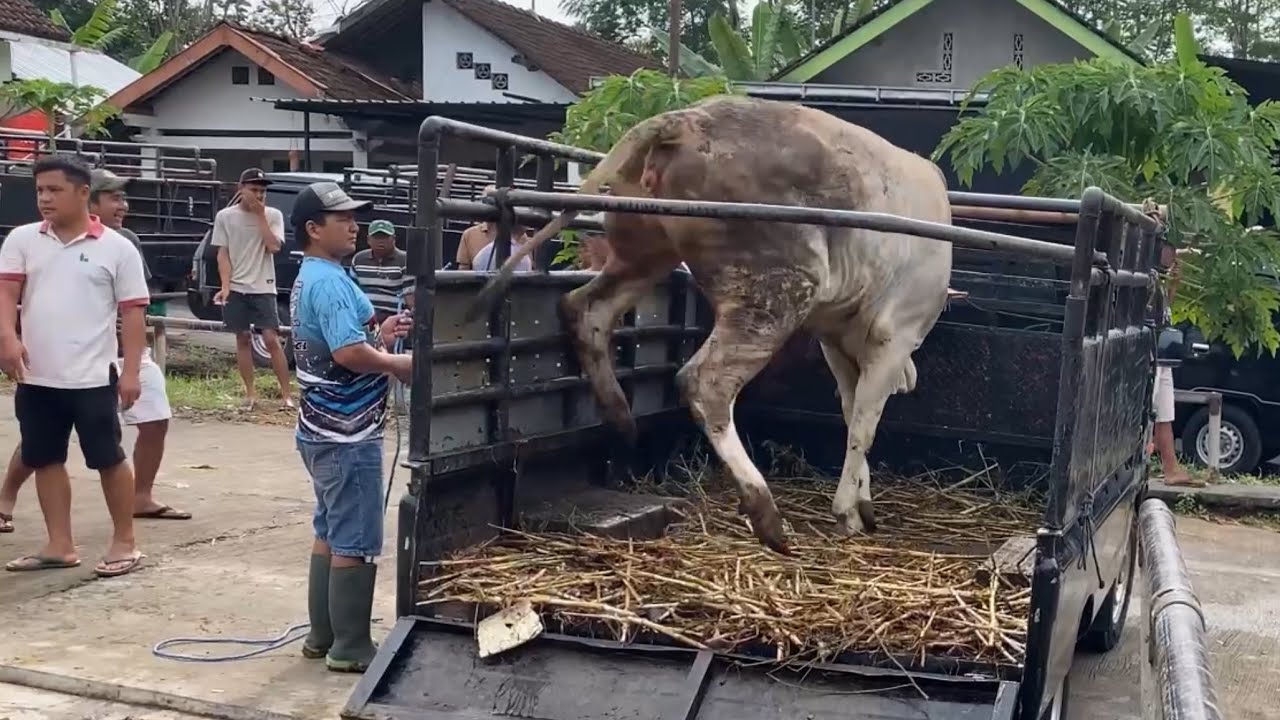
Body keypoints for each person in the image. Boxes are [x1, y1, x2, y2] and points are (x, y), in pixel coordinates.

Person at [0, 169, 187, 536]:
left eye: (55, 190)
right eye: (41, 190)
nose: (45, 198)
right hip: (39, 373)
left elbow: (134, 313)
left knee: (108, 455)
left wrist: (132, 369)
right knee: (42, 454)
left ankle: (126, 538)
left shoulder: (119, 246)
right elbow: (6, 294)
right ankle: (57, 543)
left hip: (97, 373)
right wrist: (7, 337)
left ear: (82, 193)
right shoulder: (23, 239)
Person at [289, 181, 412, 673]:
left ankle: (323, 635)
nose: (354, 225)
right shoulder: (332, 281)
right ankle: (352, 647)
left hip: (319, 426)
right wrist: (397, 364)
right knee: (357, 539)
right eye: (342, 219)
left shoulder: (313, 275)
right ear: (314, 229)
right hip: (346, 432)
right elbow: (348, 354)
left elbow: (342, 342)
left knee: (330, 529)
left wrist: (378, 335)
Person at [212, 168, 293, 411]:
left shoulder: (273, 215)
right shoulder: (225, 217)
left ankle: (286, 394)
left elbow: (273, 246)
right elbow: (222, 253)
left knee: (271, 338)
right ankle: (250, 393)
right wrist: (225, 286)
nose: (259, 195)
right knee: (242, 338)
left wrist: (260, 215)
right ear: (241, 189)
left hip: (263, 285)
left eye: (262, 190)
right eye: (254, 189)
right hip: (236, 286)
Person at [1152, 238, 1195, 486]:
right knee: (1150, 414)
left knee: (1164, 414)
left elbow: (1165, 311)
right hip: (1152, 357)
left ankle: (1170, 468)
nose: (1171, 258)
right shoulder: (1146, 279)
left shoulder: (1160, 282)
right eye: (1168, 253)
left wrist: (1174, 285)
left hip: (1163, 356)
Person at [350, 219, 408, 323]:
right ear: (368, 240)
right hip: (364, 318)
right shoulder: (358, 259)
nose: (381, 241)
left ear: (393, 239)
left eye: (385, 237)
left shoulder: (405, 260)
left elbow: (410, 296)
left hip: (394, 319)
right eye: (377, 237)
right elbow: (351, 292)